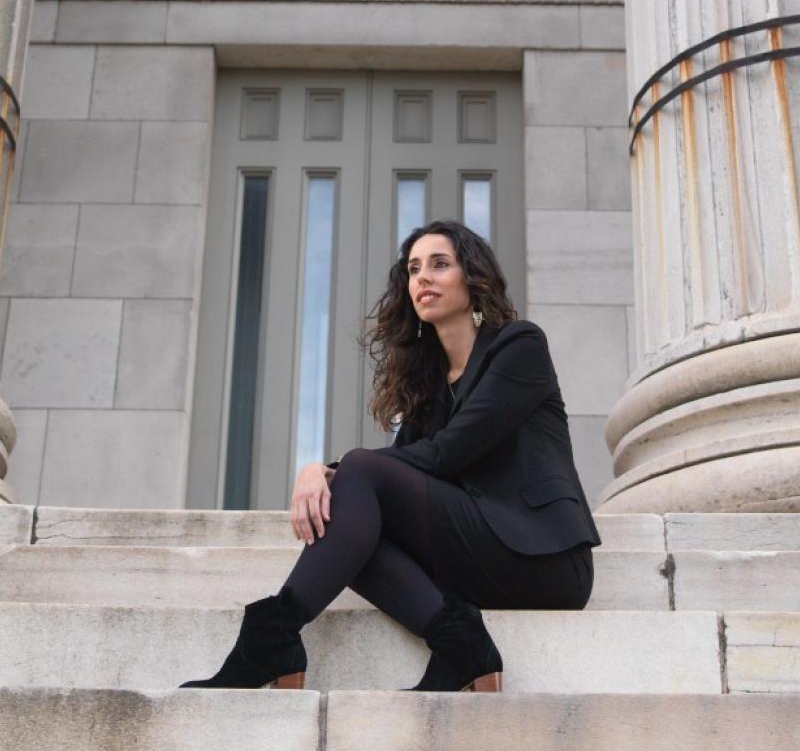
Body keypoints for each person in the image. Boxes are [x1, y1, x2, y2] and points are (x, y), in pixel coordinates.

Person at [181, 220, 601, 693]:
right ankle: (461, 648)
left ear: (473, 276)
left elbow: (446, 454)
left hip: (543, 559)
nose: (422, 277)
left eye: (440, 264)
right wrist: (322, 473)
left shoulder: (519, 345)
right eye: (413, 269)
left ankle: (270, 639)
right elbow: (387, 484)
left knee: (355, 478)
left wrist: (329, 467)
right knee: (353, 524)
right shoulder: (429, 385)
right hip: (478, 552)